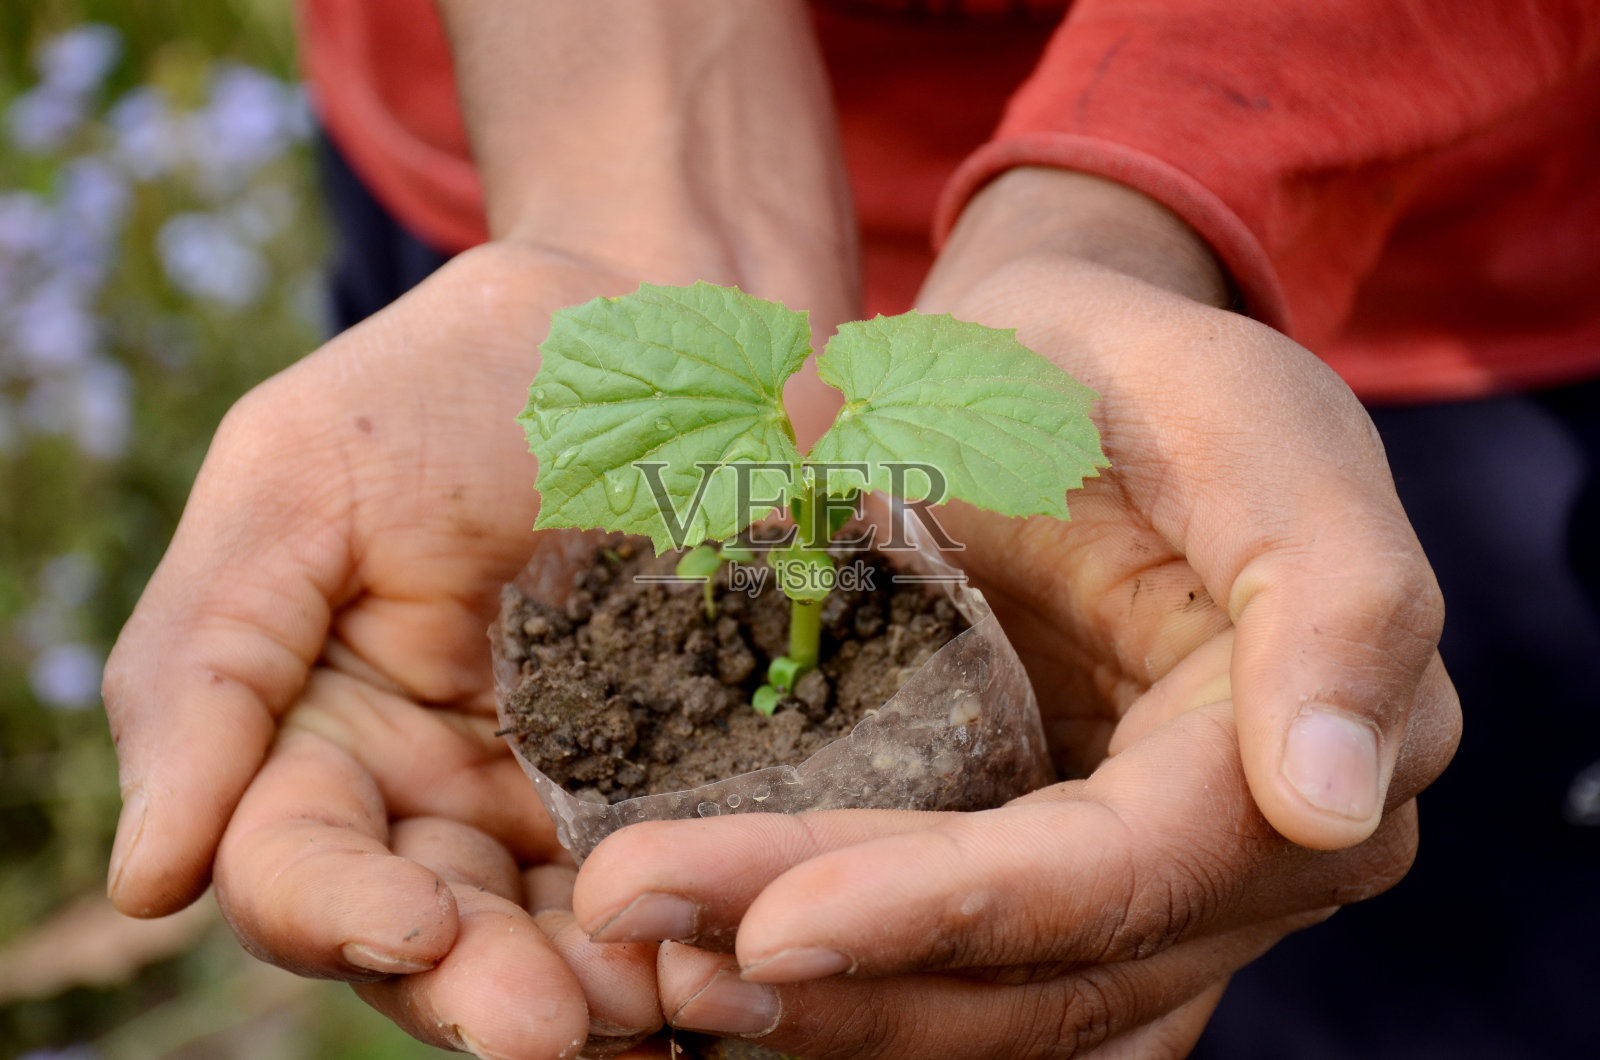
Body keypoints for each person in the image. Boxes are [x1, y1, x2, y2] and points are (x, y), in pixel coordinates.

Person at [102, 0, 1598, 1055]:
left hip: (1424, 242)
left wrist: (1143, 207)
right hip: (528, 98)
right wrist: (630, 218)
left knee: (1351, 941)